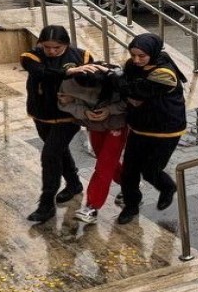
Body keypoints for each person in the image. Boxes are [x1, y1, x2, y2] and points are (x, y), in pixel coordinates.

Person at [20, 25, 95, 223]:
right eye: (47, 47)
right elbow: (42, 74)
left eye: (57, 48)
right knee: (59, 151)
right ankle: (74, 184)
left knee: (50, 154)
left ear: (67, 44)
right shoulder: (30, 56)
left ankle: (46, 204)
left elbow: (93, 85)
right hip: (42, 113)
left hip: (69, 116)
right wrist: (69, 73)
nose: (52, 51)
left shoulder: (83, 56)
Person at [117, 33, 188, 225]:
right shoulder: (132, 66)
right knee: (129, 171)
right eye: (133, 55)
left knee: (151, 170)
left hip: (166, 130)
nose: (136, 60)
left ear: (153, 53)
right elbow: (127, 88)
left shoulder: (165, 73)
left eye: (142, 56)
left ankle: (167, 187)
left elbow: (135, 90)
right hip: (139, 127)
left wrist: (122, 85)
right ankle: (131, 205)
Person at [57, 62, 128, 224]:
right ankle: (128, 184)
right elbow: (63, 102)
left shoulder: (116, 80)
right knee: (105, 160)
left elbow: (130, 101)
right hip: (93, 125)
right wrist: (84, 112)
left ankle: (92, 206)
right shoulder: (68, 82)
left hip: (116, 124)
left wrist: (109, 110)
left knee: (104, 164)